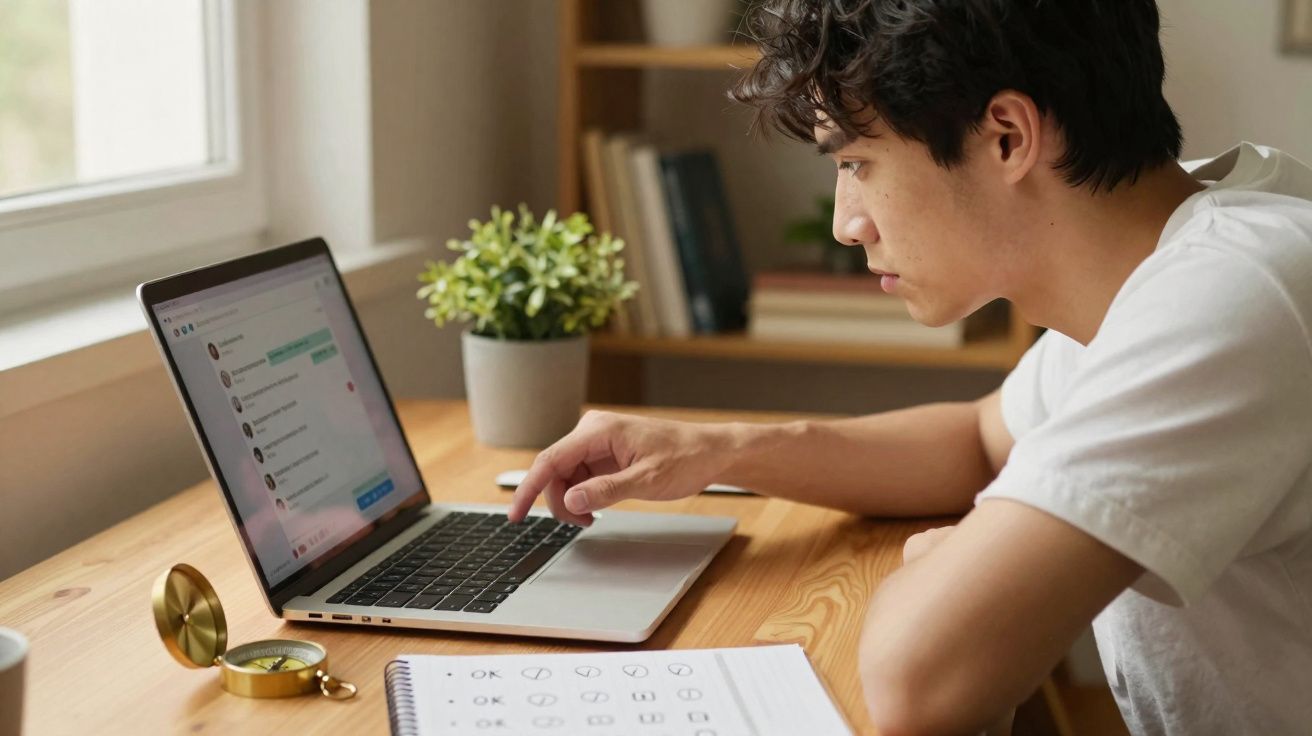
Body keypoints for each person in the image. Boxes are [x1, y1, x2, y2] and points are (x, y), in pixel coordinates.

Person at [509, 2, 1312, 733]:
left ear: (1007, 136)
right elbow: (979, 441)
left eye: (856, 163)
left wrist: (947, 566)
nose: (845, 224)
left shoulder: (1234, 293)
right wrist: (720, 448)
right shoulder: (1170, 255)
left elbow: (920, 685)